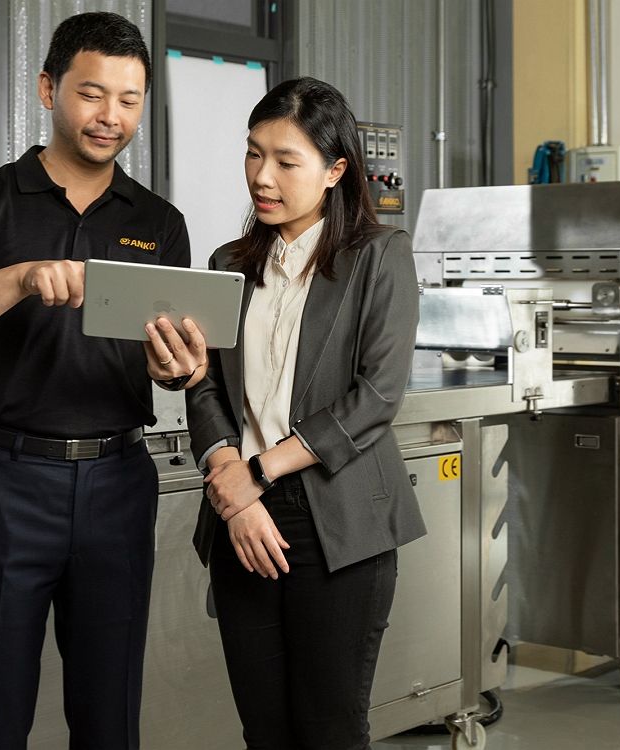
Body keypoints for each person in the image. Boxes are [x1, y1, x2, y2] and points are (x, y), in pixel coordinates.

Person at [0, 12, 207, 750]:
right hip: (2, 480)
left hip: (118, 482)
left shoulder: (159, 223)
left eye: (129, 100)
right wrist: (23, 278)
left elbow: (176, 361)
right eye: (92, 94)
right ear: (48, 89)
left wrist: (179, 368)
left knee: (109, 712)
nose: (111, 117)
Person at [185, 77, 426, 750]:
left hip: (337, 522)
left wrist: (256, 472)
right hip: (243, 519)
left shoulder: (377, 257)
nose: (262, 176)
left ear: (335, 169)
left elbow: (377, 396)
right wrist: (233, 485)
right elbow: (202, 386)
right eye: (254, 154)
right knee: (264, 728)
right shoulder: (229, 264)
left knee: (327, 728)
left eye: (286, 161)